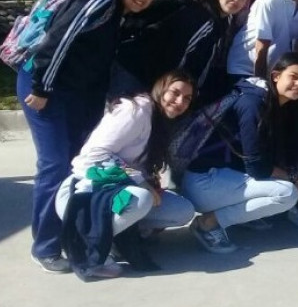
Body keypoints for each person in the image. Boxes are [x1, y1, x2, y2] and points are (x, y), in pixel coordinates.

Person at [19, 0, 162, 273]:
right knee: (55, 164)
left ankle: (75, 235)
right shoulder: (100, 1)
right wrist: (42, 87)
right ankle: (45, 246)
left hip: (72, 92)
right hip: (44, 87)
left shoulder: (119, 14)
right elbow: (58, 40)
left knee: (75, 160)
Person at [54, 71, 197, 277]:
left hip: (118, 188)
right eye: (175, 93)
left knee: (182, 210)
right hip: (86, 190)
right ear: (160, 89)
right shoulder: (136, 110)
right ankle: (89, 246)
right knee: (142, 197)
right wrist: (140, 181)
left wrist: (147, 179)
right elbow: (95, 153)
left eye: (187, 98)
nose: (180, 101)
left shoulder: (159, 119)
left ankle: (116, 238)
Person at [177, 52, 298, 253]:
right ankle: (208, 223)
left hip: (224, 176)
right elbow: (257, 166)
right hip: (204, 181)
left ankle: (235, 217)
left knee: (290, 182)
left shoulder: (276, 103)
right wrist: (293, 177)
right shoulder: (253, 103)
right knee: (287, 193)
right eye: (293, 77)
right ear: (276, 76)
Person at [114, 0, 251, 103]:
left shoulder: (223, 19)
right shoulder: (202, 17)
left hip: (153, 83)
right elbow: (182, 60)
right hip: (137, 77)